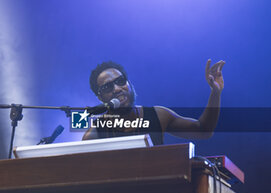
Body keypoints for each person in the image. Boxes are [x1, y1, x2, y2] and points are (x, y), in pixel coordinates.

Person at [82, 60, 225, 145]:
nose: (117, 89)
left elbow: (204, 131)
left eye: (120, 81)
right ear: (100, 98)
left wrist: (215, 92)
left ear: (129, 84)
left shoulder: (159, 115)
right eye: (108, 87)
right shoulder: (95, 134)